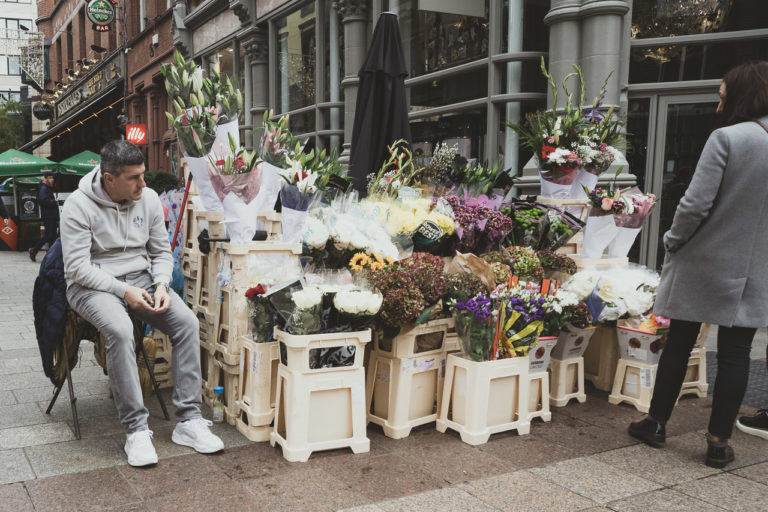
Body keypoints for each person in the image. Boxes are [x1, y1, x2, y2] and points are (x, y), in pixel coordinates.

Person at [628, 61, 768, 468]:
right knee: (736, 351)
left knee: (681, 342)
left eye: (723, 95)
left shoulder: (727, 138)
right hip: (756, 265)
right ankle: (718, 443)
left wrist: (672, 241)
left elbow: (694, 204)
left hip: (706, 258)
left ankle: (656, 423)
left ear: (742, 95)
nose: (719, 103)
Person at [60, 140, 223, 467]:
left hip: (142, 279)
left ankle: (188, 421)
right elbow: (77, 268)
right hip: (90, 284)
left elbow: (161, 252)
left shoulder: (147, 199)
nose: (144, 184)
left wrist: (162, 283)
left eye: (143, 175)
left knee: (187, 324)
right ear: (109, 179)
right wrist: (123, 292)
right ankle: (136, 429)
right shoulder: (77, 205)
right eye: (134, 178)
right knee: (120, 331)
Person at [29, 172, 60, 262]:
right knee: (49, 235)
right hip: (48, 215)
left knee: (53, 236)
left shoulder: (47, 188)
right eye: (50, 178)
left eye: (52, 178)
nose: (52, 179)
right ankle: (34, 250)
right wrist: (54, 201)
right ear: (45, 179)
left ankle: (51, 256)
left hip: (51, 215)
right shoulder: (44, 188)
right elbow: (43, 201)